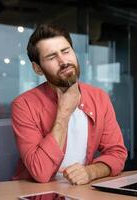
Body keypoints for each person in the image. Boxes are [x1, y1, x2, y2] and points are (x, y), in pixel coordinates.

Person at [11, 24, 128, 184]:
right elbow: (41, 173)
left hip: (80, 190)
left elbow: (117, 153)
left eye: (66, 51)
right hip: (37, 194)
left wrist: (91, 172)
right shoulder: (23, 105)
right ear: (38, 68)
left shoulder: (99, 98)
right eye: (52, 57)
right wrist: (63, 113)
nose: (63, 61)